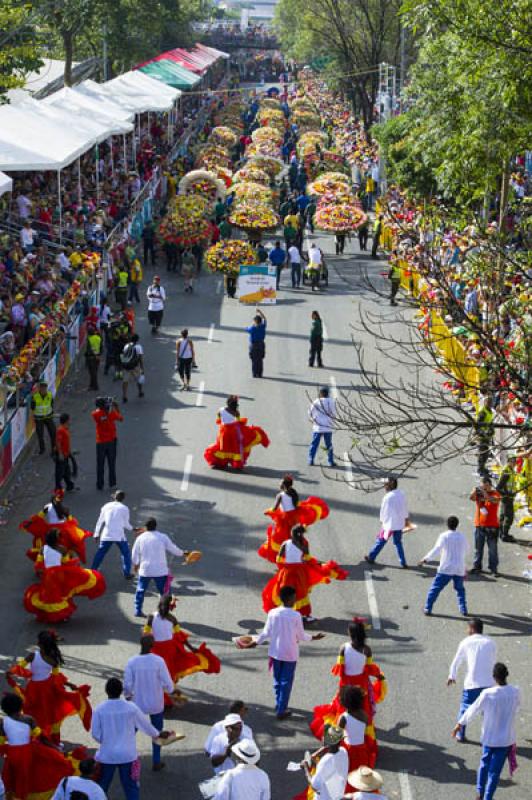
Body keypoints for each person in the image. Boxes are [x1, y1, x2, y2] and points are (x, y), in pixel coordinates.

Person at [310, 620, 385, 767]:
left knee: (341, 711)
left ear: (350, 633)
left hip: (347, 683)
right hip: (361, 684)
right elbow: (370, 668)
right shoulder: (367, 650)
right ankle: (363, 739)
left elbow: (340, 668)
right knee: (364, 710)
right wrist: (379, 676)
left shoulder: (343, 648)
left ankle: (332, 742)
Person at [249, 585, 325, 719]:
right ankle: (281, 709)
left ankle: (279, 703)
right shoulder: (296, 615)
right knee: (286, 682)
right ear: (290, 599)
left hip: (275, 652)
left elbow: (266, 632)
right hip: (290, 653)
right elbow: (301, 636)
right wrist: (313, 637)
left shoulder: (272, 613)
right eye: (294, 598)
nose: (295, 600)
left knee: (277, 680)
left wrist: (255, 643)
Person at [6, 630, 92, 743]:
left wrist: (10, 673)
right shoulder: (53, 659)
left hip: (34, 689)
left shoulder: (32, 656)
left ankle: (37, 737)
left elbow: (19, 667)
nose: (37, 642)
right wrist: (68, 684)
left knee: (35, 713)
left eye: (39, 641)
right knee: (52, 715)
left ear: (41, 644)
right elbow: (56, 678)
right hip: (49, 689)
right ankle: (55, 741)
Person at [452, 663, 521, 800]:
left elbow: (473, 709)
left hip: (489, 738)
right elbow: (517, 708)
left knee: (484, 765)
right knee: (494, 772)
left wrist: (460, 724)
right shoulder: (516, 691)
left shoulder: (488, 694)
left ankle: (479, 792)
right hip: (506, 740)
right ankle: (488, 797)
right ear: (506, 675)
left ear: (494, 677)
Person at [91, 678, 162, 800]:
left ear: (106, 691)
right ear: (121, 691)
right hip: (128, 755)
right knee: (131, 787)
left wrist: (107, 742)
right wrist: (157, 734)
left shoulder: (99, 709)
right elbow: (145, 725)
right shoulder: (131, 707)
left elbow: (95, 734)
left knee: (102, 786)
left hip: (107, 755)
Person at [145, 594, 220, 706]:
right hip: (169, 650)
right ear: (171, 606)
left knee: (156, 674)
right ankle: (167, 699)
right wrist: (191, 648)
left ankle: (159, 699)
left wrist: (145, 649)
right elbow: (180, 636)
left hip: (155, 649)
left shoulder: (150, 617)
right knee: (169, 674)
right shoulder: (172, 619)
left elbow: (146, 633)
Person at [262, 525, 347, 622]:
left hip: (286, 573)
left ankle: (285, 613)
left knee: (285, 592)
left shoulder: (285, 544)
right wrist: (318, 564)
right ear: (301, 534)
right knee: (301, 593)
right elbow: (307, 558)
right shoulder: (304, 544)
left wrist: (284, 567)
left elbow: (279, 559)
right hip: (299, 572)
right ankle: (305, 615)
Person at [0, 693, 77, 800]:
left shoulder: (2, 722)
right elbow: (42, 738)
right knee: (32, 774)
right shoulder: (28, 719)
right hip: (28, 752)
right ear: (21, 705)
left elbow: (2, 741)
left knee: (15, 776)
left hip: (13, 754)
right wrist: (56, 748)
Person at [24, 529, 106, 623]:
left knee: (51, 595)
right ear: (56, 539)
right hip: (60, 574)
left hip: (48, 576)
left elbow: (39, 562)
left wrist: (42, 571)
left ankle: (54, 615)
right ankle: (63, 615)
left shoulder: (43, 548)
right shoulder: (62, 549)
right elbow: (66, 562)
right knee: (64, 592)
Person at [123, 635, 174, 771]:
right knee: (157, 732)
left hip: (137, 703)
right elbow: (168, 683)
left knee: (131, 732)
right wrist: (170, 690)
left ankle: (127, 759)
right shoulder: (158, 661)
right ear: (153, 645)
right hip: (156, 703)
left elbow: (127, 684)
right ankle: (156, 761)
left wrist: (128, 696)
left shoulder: (132, 662)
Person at [258, 475, 329, 563]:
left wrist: (267, 512)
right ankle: (302, 554)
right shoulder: (294, 493)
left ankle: (283, 555)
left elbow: (274, 509)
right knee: (294, 535)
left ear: (283, 485)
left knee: (280, 537)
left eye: (280, 482)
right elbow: (295, 506)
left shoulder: (280, 495)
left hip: (284, 519)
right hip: (294, 517)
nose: (279, 483)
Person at [448, 618, 496, 743]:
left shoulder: (466, 642)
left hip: (472, 683)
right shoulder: (490, 642)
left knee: (466, 709)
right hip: (489, 683)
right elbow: (493, 660)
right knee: (487, 711)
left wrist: (452, 675)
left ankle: (460, 734)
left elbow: (457, 660)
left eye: (468, 628)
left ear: (472, 629)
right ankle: (487, 736)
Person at [131, 518, 188, 617]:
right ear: (156, 526)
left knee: (140, 590)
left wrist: (136, 565)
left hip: (145, 570)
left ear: (145, 527)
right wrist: (183, 553)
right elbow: (173, 549)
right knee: (165, 592)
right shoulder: (162, 537)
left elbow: (134, 554)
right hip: (160, 571)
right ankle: (164, 611)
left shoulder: (140, 538)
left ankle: (138, 609)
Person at [419, 515, 469, 616]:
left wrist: (425, 559)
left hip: (446, 568)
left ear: (447, 525)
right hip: (459, 568)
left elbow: (436, 549)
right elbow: (467, 549)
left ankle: (428, 608)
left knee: (435, 588)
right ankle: (463, 608)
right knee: (460, 589)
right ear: (457, 525)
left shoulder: (444, 536)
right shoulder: (462, 536)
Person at [204, 395, 270, 470]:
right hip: (233, 432)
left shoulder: (221, 410)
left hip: (223, 432)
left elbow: (218, 419)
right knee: (235, 447)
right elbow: (238, 421)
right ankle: (236, 463)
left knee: (223, 446)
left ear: (227, 403)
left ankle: (221, 462)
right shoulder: (236, 412)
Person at [365, 477, 409, 568]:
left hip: (389, 525)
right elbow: (404, 508)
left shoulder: (387, 497)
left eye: (385, 485)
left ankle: (371, 557)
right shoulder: (402, 494)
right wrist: (406, 519)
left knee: (381, 541)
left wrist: (382, 521)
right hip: (399, 524)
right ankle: (403, 561)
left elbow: (383, 511)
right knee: (398, 543)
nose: (384, 486)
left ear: (389, 485)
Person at [299, 725, 348, 800]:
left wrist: (306, 767)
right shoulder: (343, 751)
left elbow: (314, 786)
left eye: (323, 736)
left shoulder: (326, 761)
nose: (322, 738)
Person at [92, 490, 133, 578]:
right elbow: (126, 524)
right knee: (125, 554)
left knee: (100, 553)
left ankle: (93, 570)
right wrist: (133, 529)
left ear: (114, 497)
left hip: (106, 534)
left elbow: (100, 521)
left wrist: (96, 534)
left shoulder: (106, 506)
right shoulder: (125, 508)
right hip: (119, 536)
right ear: (123, 498)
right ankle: (127, 573)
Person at [470, 477, 501, 576]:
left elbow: (494, 501)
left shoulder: (495, 494)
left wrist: (484, 492)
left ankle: (493, 568)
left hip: (492, 527)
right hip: (479, 525)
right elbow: (471, 498)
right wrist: (475, 490)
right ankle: (477, 567)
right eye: (484, 486)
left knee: (492, 549)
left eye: (487, 486)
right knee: (478, 548)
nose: (485, 488)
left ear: (490, 485)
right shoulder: (479, 494)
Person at [91, 398, 123, 491]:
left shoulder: (95, 414)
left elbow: (96, 411)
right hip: (111, 441)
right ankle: (112, 483)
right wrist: (116, 407)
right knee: (111, 463)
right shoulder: (112, 413)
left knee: (100, 464)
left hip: (100, 442)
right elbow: (121, 418)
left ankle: (100, 484)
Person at [308, 386, 336, 467]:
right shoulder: (331, 401)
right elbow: (334, 413)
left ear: (320, 393)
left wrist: (312, 419)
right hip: (327, 426)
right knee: (329, 445)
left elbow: (310, 412)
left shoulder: (316, 401)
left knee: (314, 444)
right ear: (328, 393)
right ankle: (330, 461)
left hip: (318, 427)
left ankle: (311, 460)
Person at [31, 380, 56, 455]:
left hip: (48, 417)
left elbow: (51, 404)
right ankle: (42, 449)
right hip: (39, 419)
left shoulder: (49, 395)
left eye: (45, 387)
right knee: (40, 435)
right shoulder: (35, 397)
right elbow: (32, 407)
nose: (43, 389)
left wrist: (50, 412)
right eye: (42, 387)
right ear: (39, 388)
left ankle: (53, 449)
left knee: (53, 433)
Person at [496, 455, 517, 542]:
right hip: (507, 498)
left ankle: (501, 533)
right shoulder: (507, 472)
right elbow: (498, 487)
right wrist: (506, 494)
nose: (514, 463)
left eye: (514, 461)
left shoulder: (510, 470)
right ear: (508, 461)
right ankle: (504, 535)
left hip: (508, 497)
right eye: (512, 461)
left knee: (503, 516)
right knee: (509, 517)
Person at [55, 413, 75, 492]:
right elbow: (58, 442)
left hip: (65, 454)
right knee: (60, 472)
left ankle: (69, 485)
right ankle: (58, 488)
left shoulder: (65, 429)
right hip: (62, 455)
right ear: (66, 421)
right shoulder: (61, 430)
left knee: (66, 470)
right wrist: (60, 454)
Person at [121, 334, 144, 403]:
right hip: (135, 366)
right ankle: (140, 392)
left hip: (126, 366)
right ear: (137, 340)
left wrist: (123, 364)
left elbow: (123, 355)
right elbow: (140, 358)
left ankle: (124, 395)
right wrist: (142, 368)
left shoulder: (126, 346)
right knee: (139, 379)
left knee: (125, 381)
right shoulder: (139, 347)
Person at [246, 308, 267, 377]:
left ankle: (254, 374)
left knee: (254, 361)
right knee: (260, 360)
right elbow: (265, 319)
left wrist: (252, 325)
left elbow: (246, 329)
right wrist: (260, 312)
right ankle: (260, 374)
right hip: (261, 344)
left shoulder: (252, 328)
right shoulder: (263, 326)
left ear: (255, 321)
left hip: (253, 345)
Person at [86, 326, 103, 391]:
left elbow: (89, 349)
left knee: (92, 373)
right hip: (97, 357)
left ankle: (95, 386)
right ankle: (92, 385)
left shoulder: (89, 339)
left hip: (91, 357)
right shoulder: (98, 338)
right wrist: (99, 355)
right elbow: (101, 347)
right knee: (95, 371)